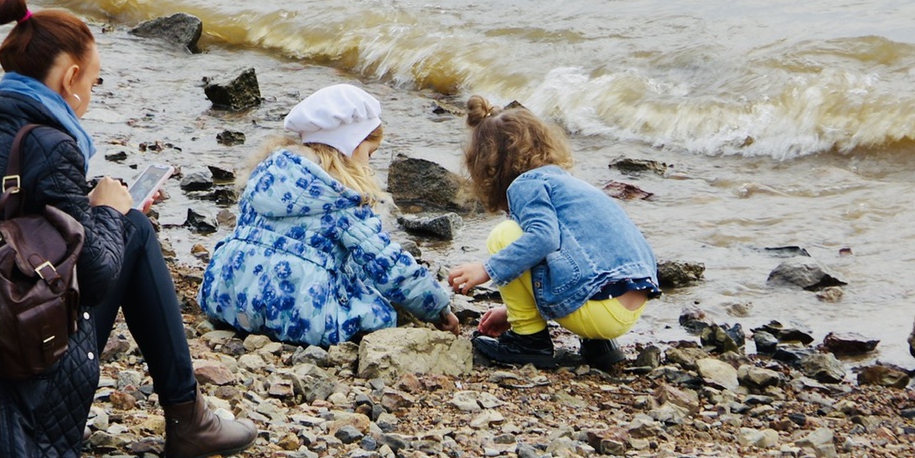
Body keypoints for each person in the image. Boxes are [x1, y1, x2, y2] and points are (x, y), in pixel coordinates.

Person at [0, 0, 256, 458]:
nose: (91, 91)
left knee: (121, 224)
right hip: (2, 383)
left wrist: (85, 212)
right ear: (69, 78)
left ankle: (189, 416)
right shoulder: (50, 145)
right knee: (135, 232)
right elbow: (98, 274)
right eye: (93, 79)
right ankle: (187, 416)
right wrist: (108, 211)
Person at [198, 84, 459, 346]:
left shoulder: (265, 175)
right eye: (370, 153)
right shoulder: (341, 199)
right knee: (382, 312)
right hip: (299, 316)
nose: (369, 164)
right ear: (352, 147)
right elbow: (388, 264)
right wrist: (437, 308)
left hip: (225, 295)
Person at [448, 97, 658, 369]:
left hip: (599, 311)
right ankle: (599, 346)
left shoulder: (525, 185)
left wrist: (487, 268)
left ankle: (529, 340)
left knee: (505, 235)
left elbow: (544, 238)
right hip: (631, 301)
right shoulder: (570, 184)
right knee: (573, 245)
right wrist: (510, 310)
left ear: (488, 166)